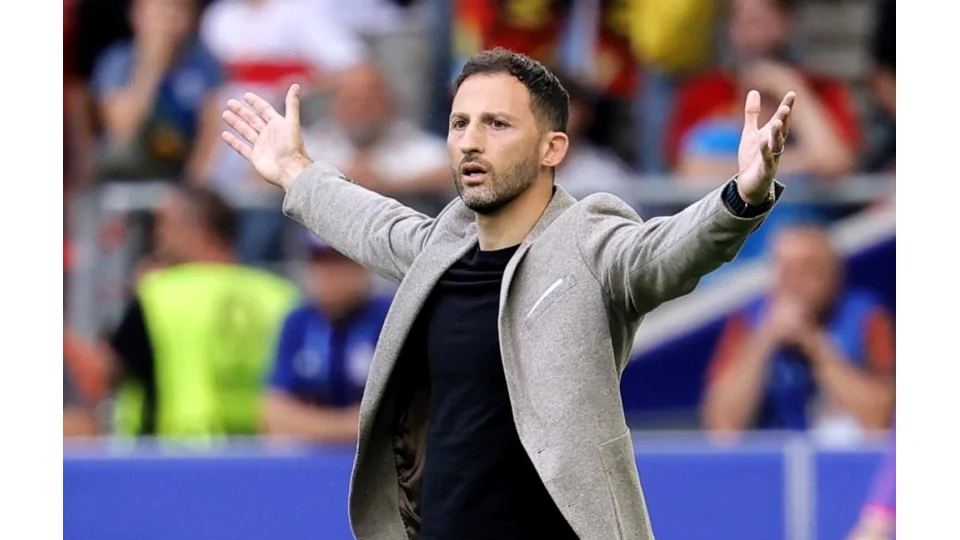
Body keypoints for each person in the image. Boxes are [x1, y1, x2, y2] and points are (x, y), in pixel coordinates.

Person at [221, 48, 794, 540]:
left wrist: (740, 196)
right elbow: (373, 222)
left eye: (496, 124)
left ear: (552, 149)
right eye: (459, 124)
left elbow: (665, 252)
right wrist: (296, 171)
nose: (471, 142)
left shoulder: (590, 241)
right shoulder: (441, 248)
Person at [107, 185, 297, 437]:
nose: (157, 236)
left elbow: (103, 373)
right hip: (262, 451)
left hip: (174, 451)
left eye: (164, 224)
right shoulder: (280, 294)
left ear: (198, 227)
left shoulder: (160, 294)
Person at [701, 224, 895, 442]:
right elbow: (722, 427)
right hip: (771, 455)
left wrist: (815, 347)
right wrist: (764, 340)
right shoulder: (748, 319)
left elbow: (881, 420)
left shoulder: (867, 316)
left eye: (807, 269)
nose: (794, 282)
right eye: (786, 270)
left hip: (842, 457)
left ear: (834, 274)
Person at [262, 234, 391, 444]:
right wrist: (351, 425)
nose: (329, 274)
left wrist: (306, 423)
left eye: (341, 262)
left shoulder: (390, 317)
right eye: (320, 262)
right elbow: (274, 414)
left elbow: (398, 417)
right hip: (311, 458)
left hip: (379, 458)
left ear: (363, 264)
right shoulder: (297, 322)